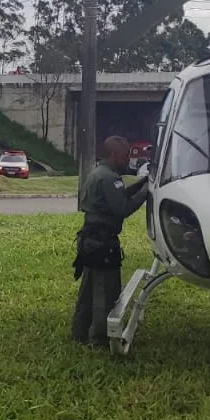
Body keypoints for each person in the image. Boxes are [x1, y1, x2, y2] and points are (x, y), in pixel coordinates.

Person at [71, 136, 150, 348]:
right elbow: (122, 208)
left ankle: (79, 333)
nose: (128, 161)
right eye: (125, 156)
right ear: (115, 155)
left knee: (88, 291)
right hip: (103, 244)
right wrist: (145, 193)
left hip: (90, 241)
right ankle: (99, 340)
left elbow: (118, 196)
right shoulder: (109, 178)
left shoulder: (99, 173)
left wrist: (141, 183)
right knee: (105, 293)